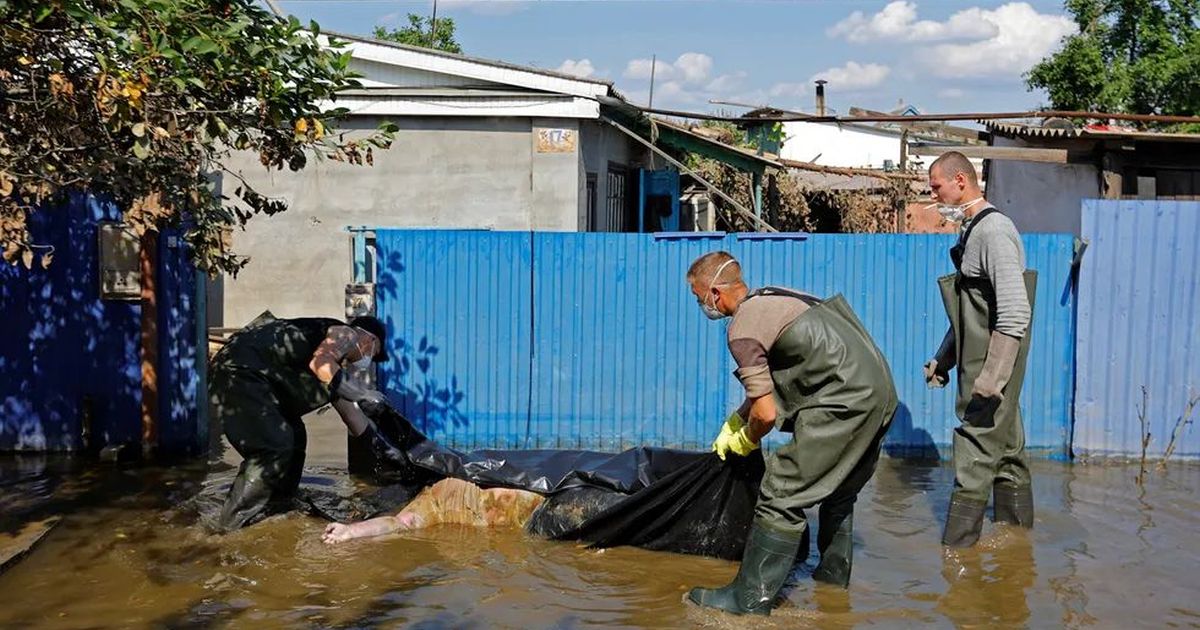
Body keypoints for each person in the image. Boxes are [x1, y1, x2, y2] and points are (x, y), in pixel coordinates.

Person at [684, 252, 898, 616]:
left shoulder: (742, 328)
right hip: (880, 393)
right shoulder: (777, 296)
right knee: (839, 491)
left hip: (842, 402)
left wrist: (747, 438)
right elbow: (764, 393)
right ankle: (832, 587)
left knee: (780, 493)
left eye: (698, 296)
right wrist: (736, 421)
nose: (701, 305)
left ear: (715, 294)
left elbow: (765, 414)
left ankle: (750, 598)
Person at [924, 151, 1036, 548]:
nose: (932, 193)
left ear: (959, 180)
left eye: (936, 186)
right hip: (980, 364)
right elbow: (971, 309)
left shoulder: (993, 231)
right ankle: (1017, 545)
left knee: (973, 452)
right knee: (1007, 453)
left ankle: (956, 556)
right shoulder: (971, 231)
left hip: (990, 372)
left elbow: (1014, 311)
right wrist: (945, 356)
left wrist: (992, 380)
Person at [209, 312, 408, 532]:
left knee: (295, 436)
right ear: (370, 339)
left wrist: (387, 451)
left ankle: (279, 505)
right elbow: (320, 362)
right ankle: (228, 528)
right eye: (375, 352)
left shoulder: (333, 371)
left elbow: (351, 416)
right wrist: (363, 393)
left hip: (251, 376)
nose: (368, 359)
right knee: (274, 446)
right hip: (238, 371)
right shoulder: (346, 334)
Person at [321, 478, 545, 544]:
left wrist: (350, 532)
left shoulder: (521, 504)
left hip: (452, 503)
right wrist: (350, 532)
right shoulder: (440, 500)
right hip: (448, 501)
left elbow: (400, 523)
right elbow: (401, 523)